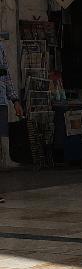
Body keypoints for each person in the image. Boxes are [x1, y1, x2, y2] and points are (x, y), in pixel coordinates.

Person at [0, 41, 23, 175]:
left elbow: (6, 74)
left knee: (3, 132)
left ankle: (5, 159)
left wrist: (15, 100)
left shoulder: (1, 47)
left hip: (2, 98)